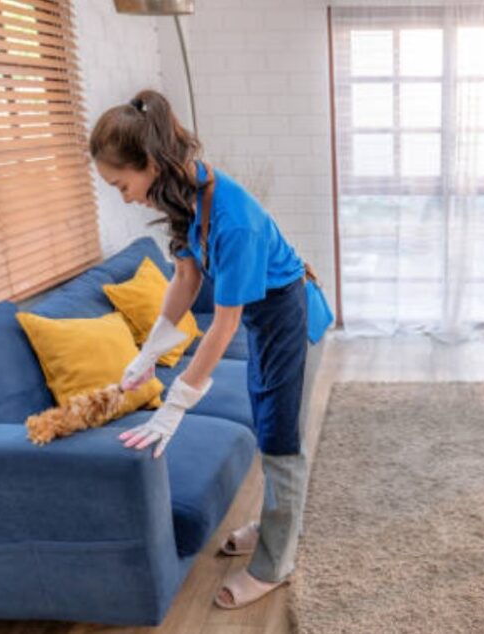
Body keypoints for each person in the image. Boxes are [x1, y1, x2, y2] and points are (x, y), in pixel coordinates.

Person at [89, 89, 309, 610]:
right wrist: (147, 353)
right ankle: (273, 527)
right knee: (265, 418)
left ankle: (276, 564)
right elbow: (186, 277)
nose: (125, 197)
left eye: (121, 185)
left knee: (279, 435)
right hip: (257, 312)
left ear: (148, 163)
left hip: (280, 312)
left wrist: (174, 407)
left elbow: (224, 324)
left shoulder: (233, 219)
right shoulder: (187, 193)